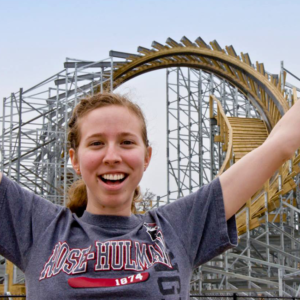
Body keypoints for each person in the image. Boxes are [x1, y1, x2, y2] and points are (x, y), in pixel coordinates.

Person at [0, 92, 299, 300]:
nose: (112, 156)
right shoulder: (39, 227)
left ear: (146, 157)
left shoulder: (177, 228)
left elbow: (282, 145)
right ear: (74, 159)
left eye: (127, 142)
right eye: (96, 143)